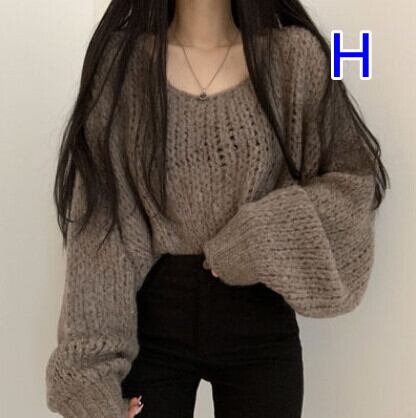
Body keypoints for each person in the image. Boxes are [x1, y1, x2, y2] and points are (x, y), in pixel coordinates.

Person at [45, 1, 389, 418]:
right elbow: (102, 223)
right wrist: (90, 379)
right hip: (151, 327)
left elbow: (354, 182)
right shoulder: (122, 66)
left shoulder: (297, 58)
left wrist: (262, 237)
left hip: (260, 325)